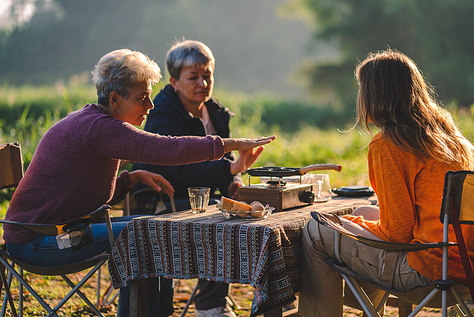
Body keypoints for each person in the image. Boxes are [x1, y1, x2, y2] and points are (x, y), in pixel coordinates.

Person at [2, 48, 275, 317]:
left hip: (57, 230)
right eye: (142, 97)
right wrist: (230, 144)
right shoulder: (101, 129)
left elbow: (82, 193)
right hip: (37, 241)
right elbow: (169, 150)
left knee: (153, 228)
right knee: (144, 234)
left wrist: (129, 179)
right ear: (115, 99)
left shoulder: (93, 120)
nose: (150, 106)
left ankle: (155, 313)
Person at [297, 49, 474, 317]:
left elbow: (397, 234)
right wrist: (358, 222)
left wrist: (351, 227)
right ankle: (366, 310)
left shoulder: (389, 144)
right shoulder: (444, 133)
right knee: (361, 212)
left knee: (315, 228)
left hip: (429, 270)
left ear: (374, 95)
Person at [132, 40, 261, 317]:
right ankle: (210, 307)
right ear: (174, 81)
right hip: (161, 200)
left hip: (203, 196)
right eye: (194, 77)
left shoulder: (214, 111)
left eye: (207, 75)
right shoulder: (162, 115)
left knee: (256, 204)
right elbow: (181, 168)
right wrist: (230, 169)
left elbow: (217, 165)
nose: (203, 83)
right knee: (219, 214)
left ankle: (273, 296)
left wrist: (231, 184)